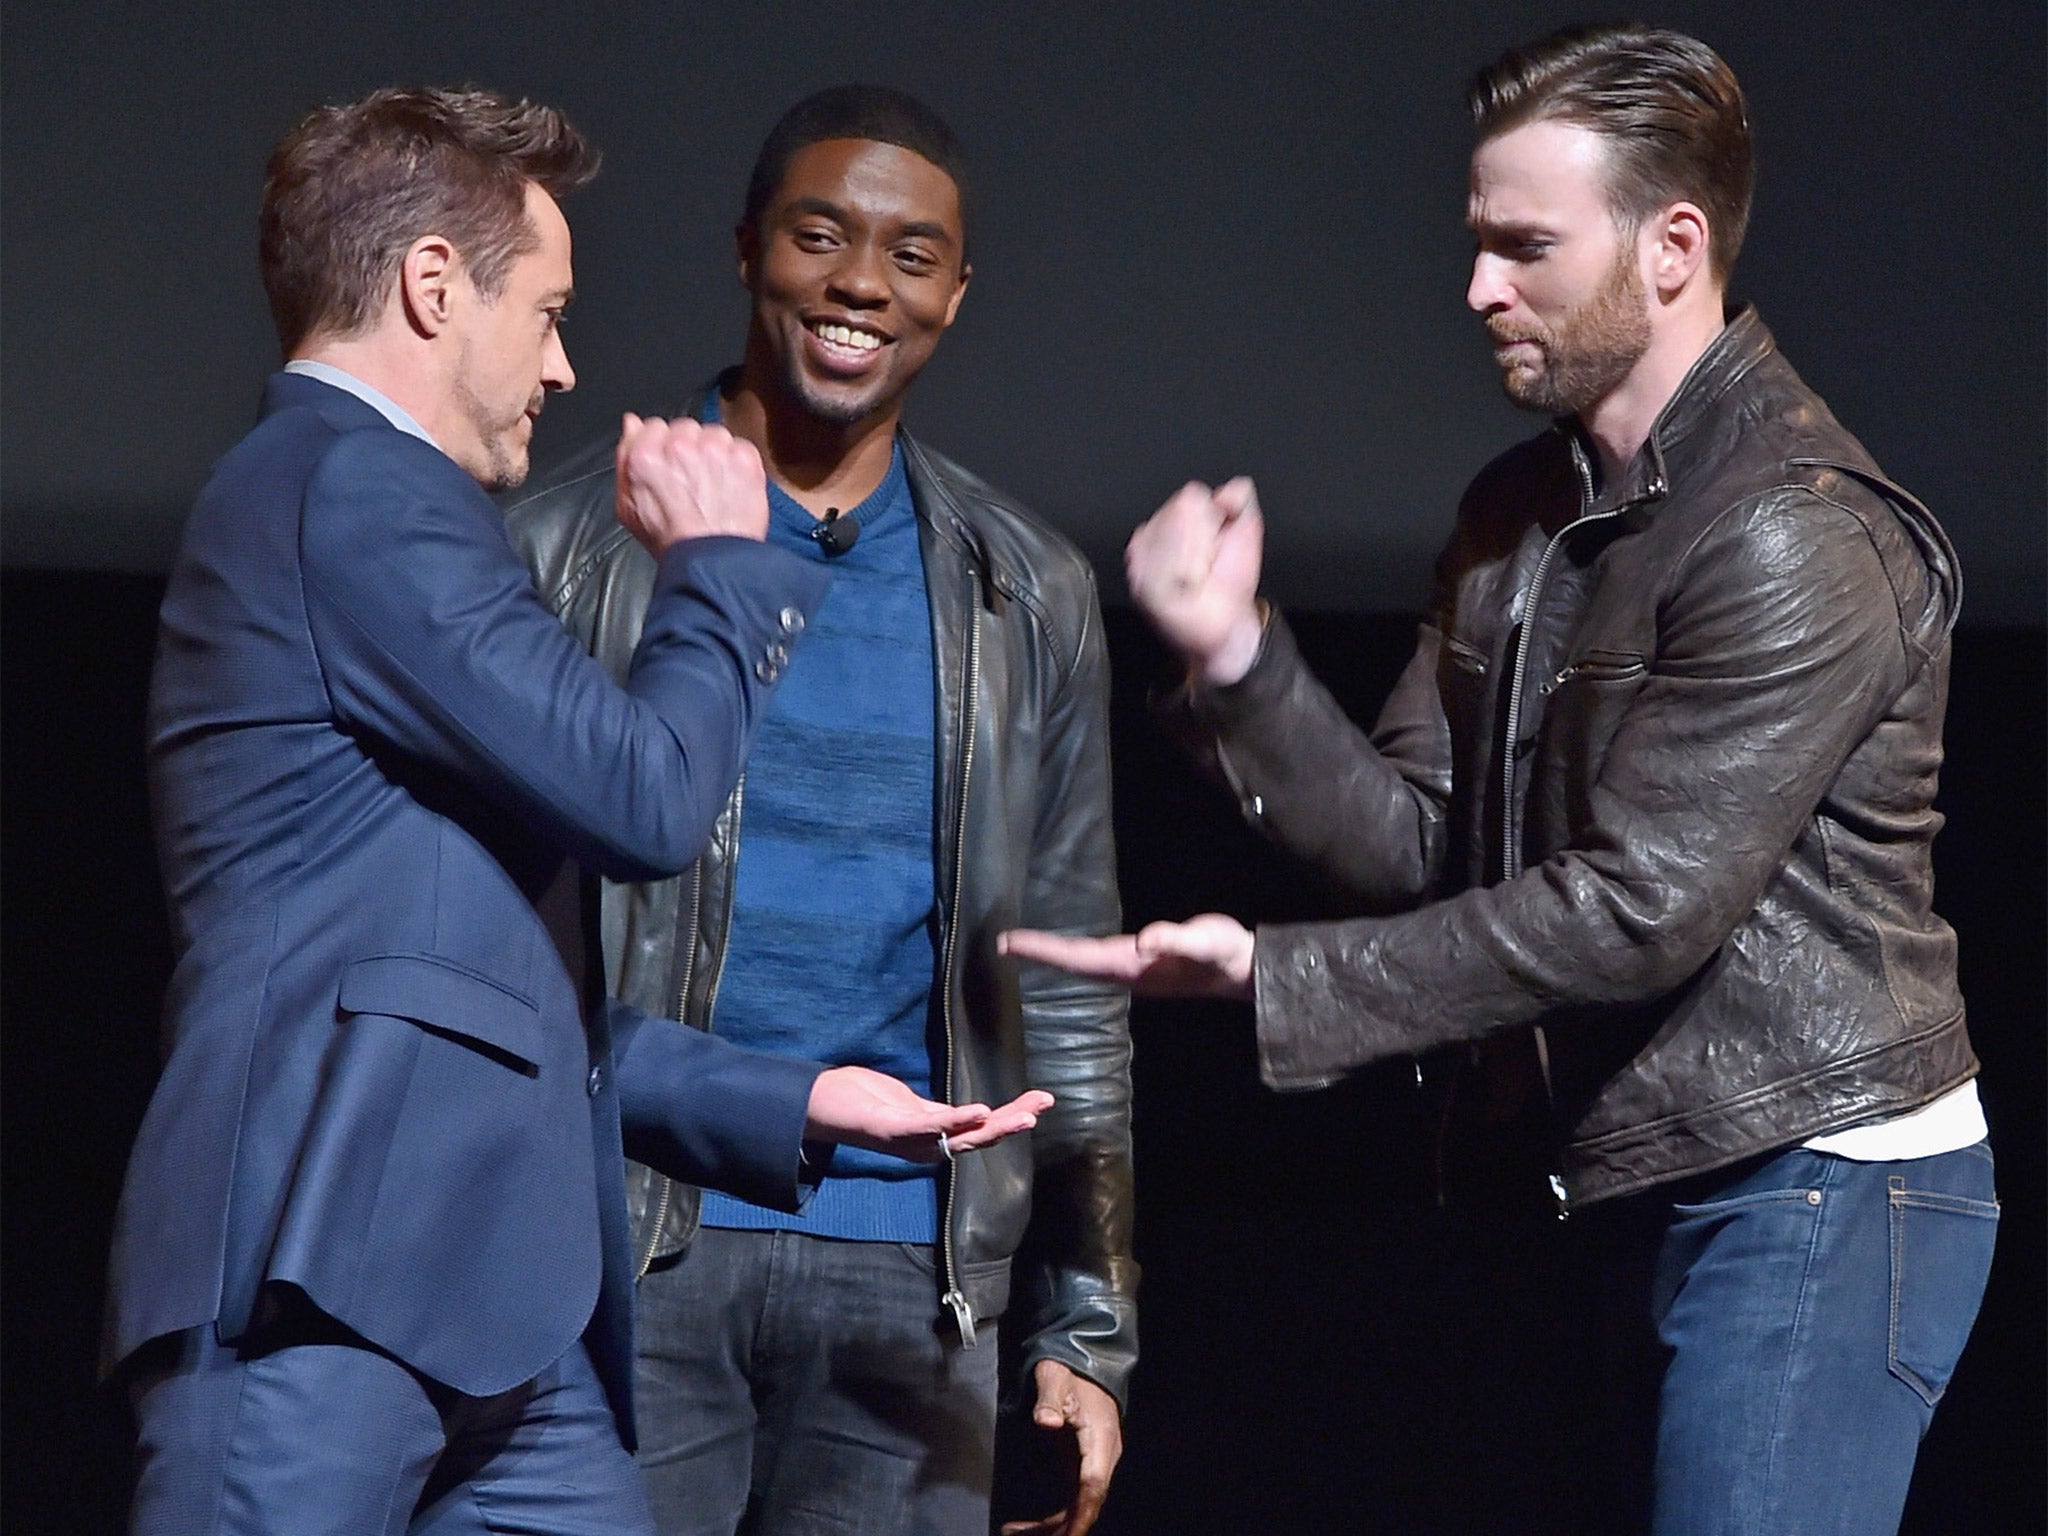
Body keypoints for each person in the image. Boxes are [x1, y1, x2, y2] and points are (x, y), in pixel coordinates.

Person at [1004, 24, 1997, 1535]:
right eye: (1477, 244)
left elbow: (1635, 911)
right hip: (1614, 1174)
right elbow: (1423, 845)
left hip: (1815, 1176)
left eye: (1525, 246)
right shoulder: (1519, 516)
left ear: (1673, 248)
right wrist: (1237, 665)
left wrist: (1279, 981)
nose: (1478, 288)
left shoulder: (1796, 525)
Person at [104, 85, 1049, 1536]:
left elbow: (494, 995)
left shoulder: (397, 522)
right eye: (545, 314)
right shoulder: (345, 485)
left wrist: (785, 1098)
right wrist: (724, 568)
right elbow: (647, 796)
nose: (560, 366)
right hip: (321, 1275)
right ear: (431, 289)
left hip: (493, 1316)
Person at [503, 84, 1134, 1536]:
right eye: (821, 235)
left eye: (913, 257)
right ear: (746, 252)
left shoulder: (1024, 590)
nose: (862, 282)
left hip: (915, 1285)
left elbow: (1077, 982)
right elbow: (498, 961)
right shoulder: (563, 550)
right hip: (624, 1247)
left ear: (958, 295)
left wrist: (1086, 1330)